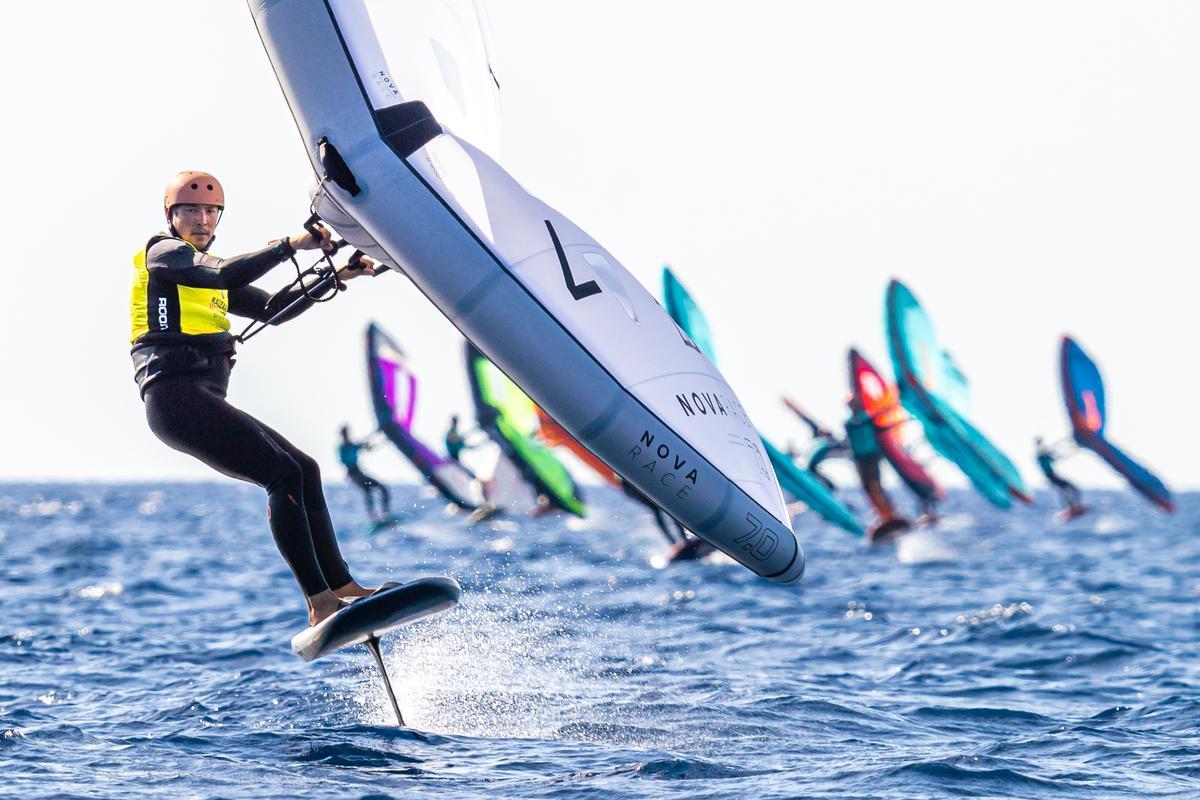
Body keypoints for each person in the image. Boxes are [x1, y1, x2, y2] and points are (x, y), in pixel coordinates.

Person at [131, 170, 380, 628]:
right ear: (171, 217)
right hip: (176, 400)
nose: (202, 219)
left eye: (211, 211)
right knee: (281, 474)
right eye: (191, 211)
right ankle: (320, 603)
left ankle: (342, 586)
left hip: (200, 397)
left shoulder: (205, 277)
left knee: (304, 469)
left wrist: (337, 273)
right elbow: (224, 271)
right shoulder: (164, 255)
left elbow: (272, 309)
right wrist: (290, 245)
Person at [845, 397, 905, 541]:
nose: (854, 406)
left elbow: (880, 424)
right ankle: (883, 515)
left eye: (855, 403)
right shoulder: (851, 423)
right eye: (852, 404)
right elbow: (864, 421)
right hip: (860, 459)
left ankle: (889, 514)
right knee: (867, 488)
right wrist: (885, 410)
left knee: (875, 485)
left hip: (871, 457)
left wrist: (895, 416)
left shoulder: (866, 418)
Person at [338, 425, 391, 520]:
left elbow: (368, 447)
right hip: (353, 474)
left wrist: (382, 440)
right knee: (367, 490)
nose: (347, 436)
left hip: (359, 473)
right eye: (345, 434)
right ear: (342, 435)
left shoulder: (353, 445)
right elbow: (344, 460)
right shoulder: (343, 448)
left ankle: (385, 514)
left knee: (382, 488)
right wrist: (355, 446)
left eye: (347, 433)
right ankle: (373, 517)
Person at [1035, 436, 1084, 514]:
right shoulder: (1041, 454)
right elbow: (1049, 456)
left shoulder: (1043, 454)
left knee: (1066, 489)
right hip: (1051, 476)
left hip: (1051, 476)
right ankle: (1071, 507)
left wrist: (1071, 449)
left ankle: (1071, 507)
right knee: (1069, 488)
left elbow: (1054, 457)